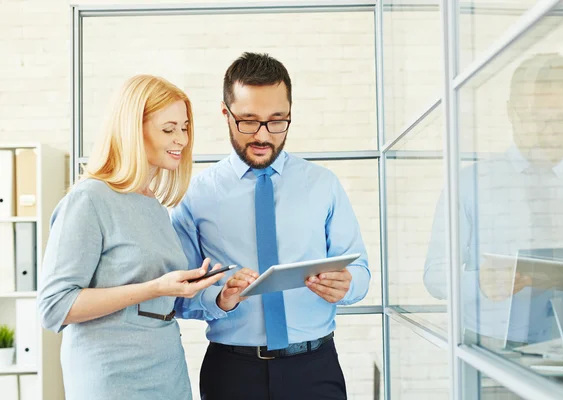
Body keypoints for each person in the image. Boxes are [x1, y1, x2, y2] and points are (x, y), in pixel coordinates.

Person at [171, 52, 370, 400]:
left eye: (277, 120)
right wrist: (220, 297)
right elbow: (180, 294)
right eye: (248, 120)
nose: (263, 135)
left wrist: (347, 285)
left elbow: (362, 272)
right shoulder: (197, 195)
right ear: (225, 114)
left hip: (315, 368)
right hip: (232, 373)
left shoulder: (323, 184)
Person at [37, 75, 226, 400]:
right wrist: (155, 287)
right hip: (112, 375)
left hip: (166, 368)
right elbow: (55, 306)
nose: (181, 139)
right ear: (133, 130)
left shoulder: (153, 205)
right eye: (168, 129)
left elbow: (164, 299)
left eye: (184, 127)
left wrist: (221, 296)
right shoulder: (89, 200)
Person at [424, 53, 563, 344]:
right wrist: (478, 282)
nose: (552, 133)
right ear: (511, 112)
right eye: (539, 119)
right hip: (490, 358)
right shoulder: (468, 184)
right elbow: (434, 275)